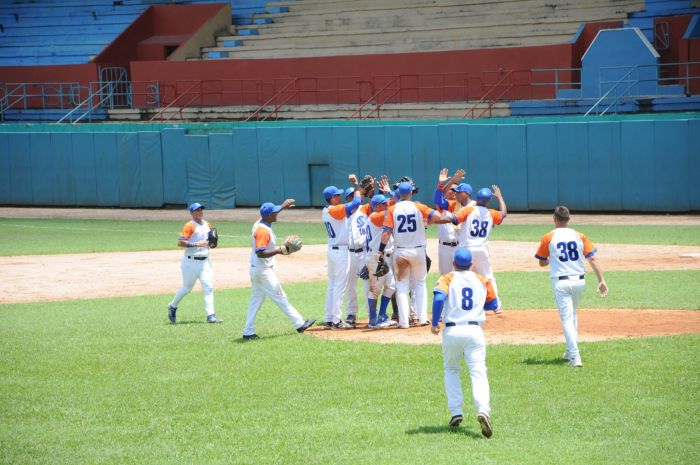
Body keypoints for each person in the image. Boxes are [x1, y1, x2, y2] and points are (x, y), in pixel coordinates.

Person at [431, 248, 498, 438]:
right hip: (474, 331)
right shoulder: (481, 279)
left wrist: (435, 323)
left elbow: (438, 298)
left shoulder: (447, 278)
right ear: (471, 264)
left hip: (452, 330)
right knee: (478, 371)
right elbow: (492, 304)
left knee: (451, 369)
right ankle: (483, 410)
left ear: (453, 263)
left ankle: (456, 412)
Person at [535, 206, 608, 367]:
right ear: (568, 219)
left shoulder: (548, 237)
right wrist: (601, 280)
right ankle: (569, 351)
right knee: (572, 315)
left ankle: (575, 356)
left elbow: (541, 261)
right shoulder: (580, 235)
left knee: (567, 319)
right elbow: (592, 259)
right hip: (580, 282)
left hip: (561, 283)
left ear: (554, 219)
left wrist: (551, 260)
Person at [377, 181, 451, 328]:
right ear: (410, 193)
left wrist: (380, 249)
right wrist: (453, 218)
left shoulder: (392, 209)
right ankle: (422, 318)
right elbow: (436, 217)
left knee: (402, 286)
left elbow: (386, 233)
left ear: (398, 193)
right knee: (420, 284)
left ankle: (404, 322)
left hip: (400, 252)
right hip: (418, 251)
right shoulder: (418, 206)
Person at [242, 200, 317, 340]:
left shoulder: (260, 223)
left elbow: (269, 214)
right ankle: (299, 324)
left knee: (255, 301)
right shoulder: (262, 231)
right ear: (270, 215)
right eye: (275, 212)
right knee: (280, 297)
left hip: (257, 269)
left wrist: (282, 207)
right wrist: (280, 250)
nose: (277, 214)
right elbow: (260, 252)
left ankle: (248, 332)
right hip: (263, 270)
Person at [450, 185, 507, 313]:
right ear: (488, 201)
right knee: (488, 277)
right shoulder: (491, 213)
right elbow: (504, 213)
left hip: (466, 250)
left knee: (461, 277)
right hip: (482, 249)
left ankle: (460, 305)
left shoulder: (468, 210)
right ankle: (496, 305)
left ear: (476, 198)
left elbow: (454, 219)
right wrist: (499, 197)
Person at [167, 202, 222, 324]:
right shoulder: (189, 226)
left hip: (205, 261)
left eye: (201, 209)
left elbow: (210, 243)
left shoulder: (207, 224)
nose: (200, 212)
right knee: (187, 288)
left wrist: (212, 244)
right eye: (197, 210)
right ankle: (172, 306)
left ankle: (211, 316)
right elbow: (180, 242)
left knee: (208, 287)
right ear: (192, 213)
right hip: (190, 262)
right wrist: (196, 244)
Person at [322, 174, 362, 329]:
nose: (340, 197)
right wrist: (356, 184)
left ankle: (328, 318)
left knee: (332, 285)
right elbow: (357, 202)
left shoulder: (326, 211)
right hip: (341, 253)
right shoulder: (336, 210)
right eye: (337, 195)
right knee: (339, 286)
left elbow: (353, 208)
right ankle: (337, 321)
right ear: (332, 198)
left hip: (332, 251)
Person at [434, 168, 476, 275]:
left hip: (462, 246)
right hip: (445, 248)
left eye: (456, 191)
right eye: (452, 190)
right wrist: (448, 182)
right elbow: (438, 200)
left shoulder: (473, 206)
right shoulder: (451, 205)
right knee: (445, 277)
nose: (454, 193)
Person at [365, 194, 398, 328]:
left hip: (385, 257)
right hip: (376, 258)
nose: (386, 206)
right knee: (374, 290)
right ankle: (373, 320)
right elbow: (393, 210)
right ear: (377, 206)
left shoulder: (380, 215)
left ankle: (382, 315)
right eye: (384, 204)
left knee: (391, 286)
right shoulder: (375, 216)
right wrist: (395, 196)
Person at [343, 186, 370, 328]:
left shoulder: (365, 209)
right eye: (350, 196)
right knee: (350, 285)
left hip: (364, 252)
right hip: (350, 253)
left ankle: (372, 313)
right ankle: (351, 313)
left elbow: (376, 204)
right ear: (347, 199)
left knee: (367, 284)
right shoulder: (344, 212)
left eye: (355, 195)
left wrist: (370, 191)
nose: (352, 197)